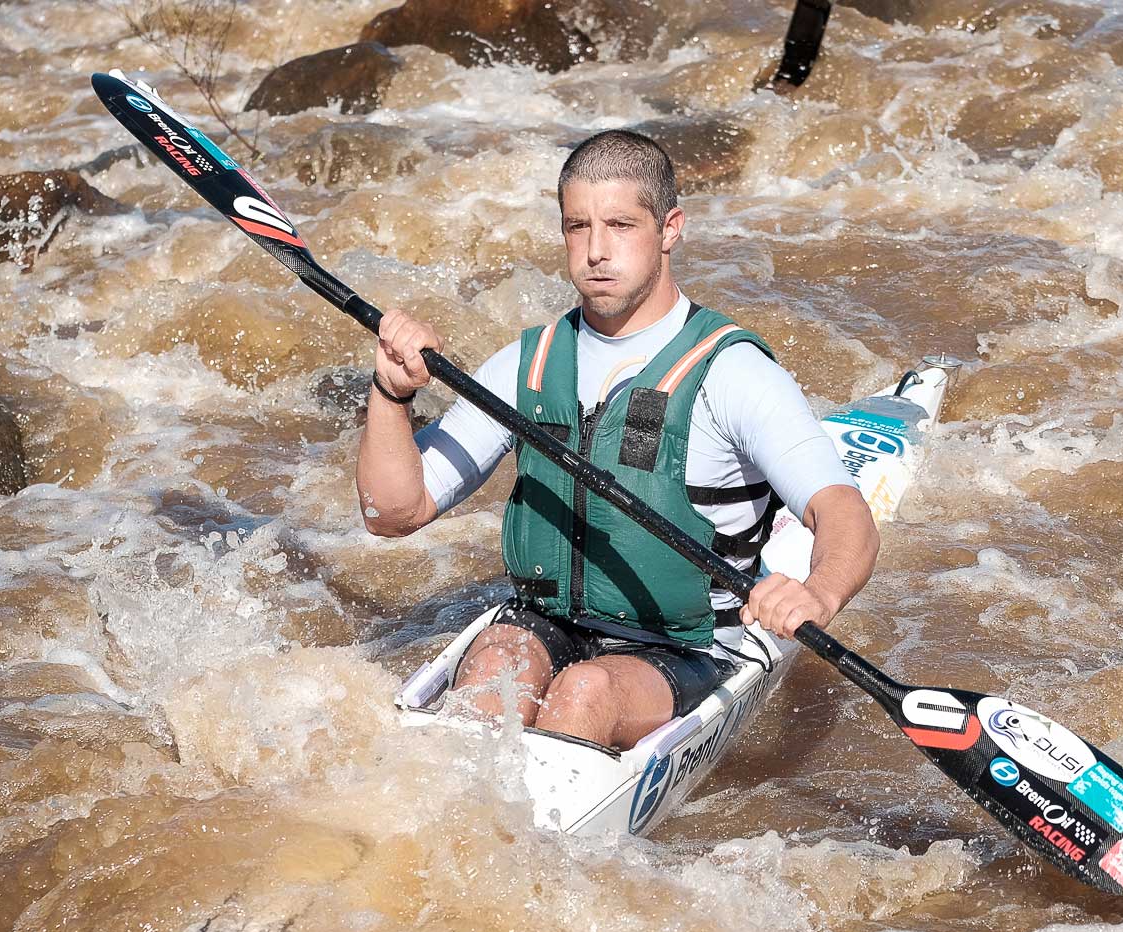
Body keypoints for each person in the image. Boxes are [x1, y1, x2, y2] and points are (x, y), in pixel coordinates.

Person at [356, 130, 878, 750]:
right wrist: (391, 396)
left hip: (689, 644)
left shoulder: (734, 373)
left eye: (622, 225)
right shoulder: (526, 364)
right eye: (578, 227)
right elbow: (391, 513)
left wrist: (817, 593)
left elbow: (845, 515)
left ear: (670, 228)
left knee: (585, 693)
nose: (597, 251)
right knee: (495, 664)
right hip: (548, 623)